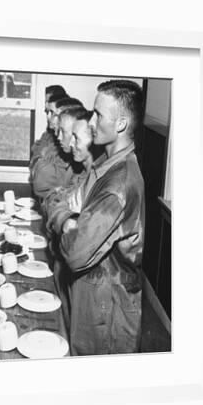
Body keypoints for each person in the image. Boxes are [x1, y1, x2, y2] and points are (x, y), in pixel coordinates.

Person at [58, 80, 145, 355]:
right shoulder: (106, 165)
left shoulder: (118, 184)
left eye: (99, 115)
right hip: (93, 291)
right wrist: (68, 218)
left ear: (120, 124)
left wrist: (64, 220)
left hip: (106, 305)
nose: (92, 121)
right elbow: (65, 200)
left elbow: (74, 252)